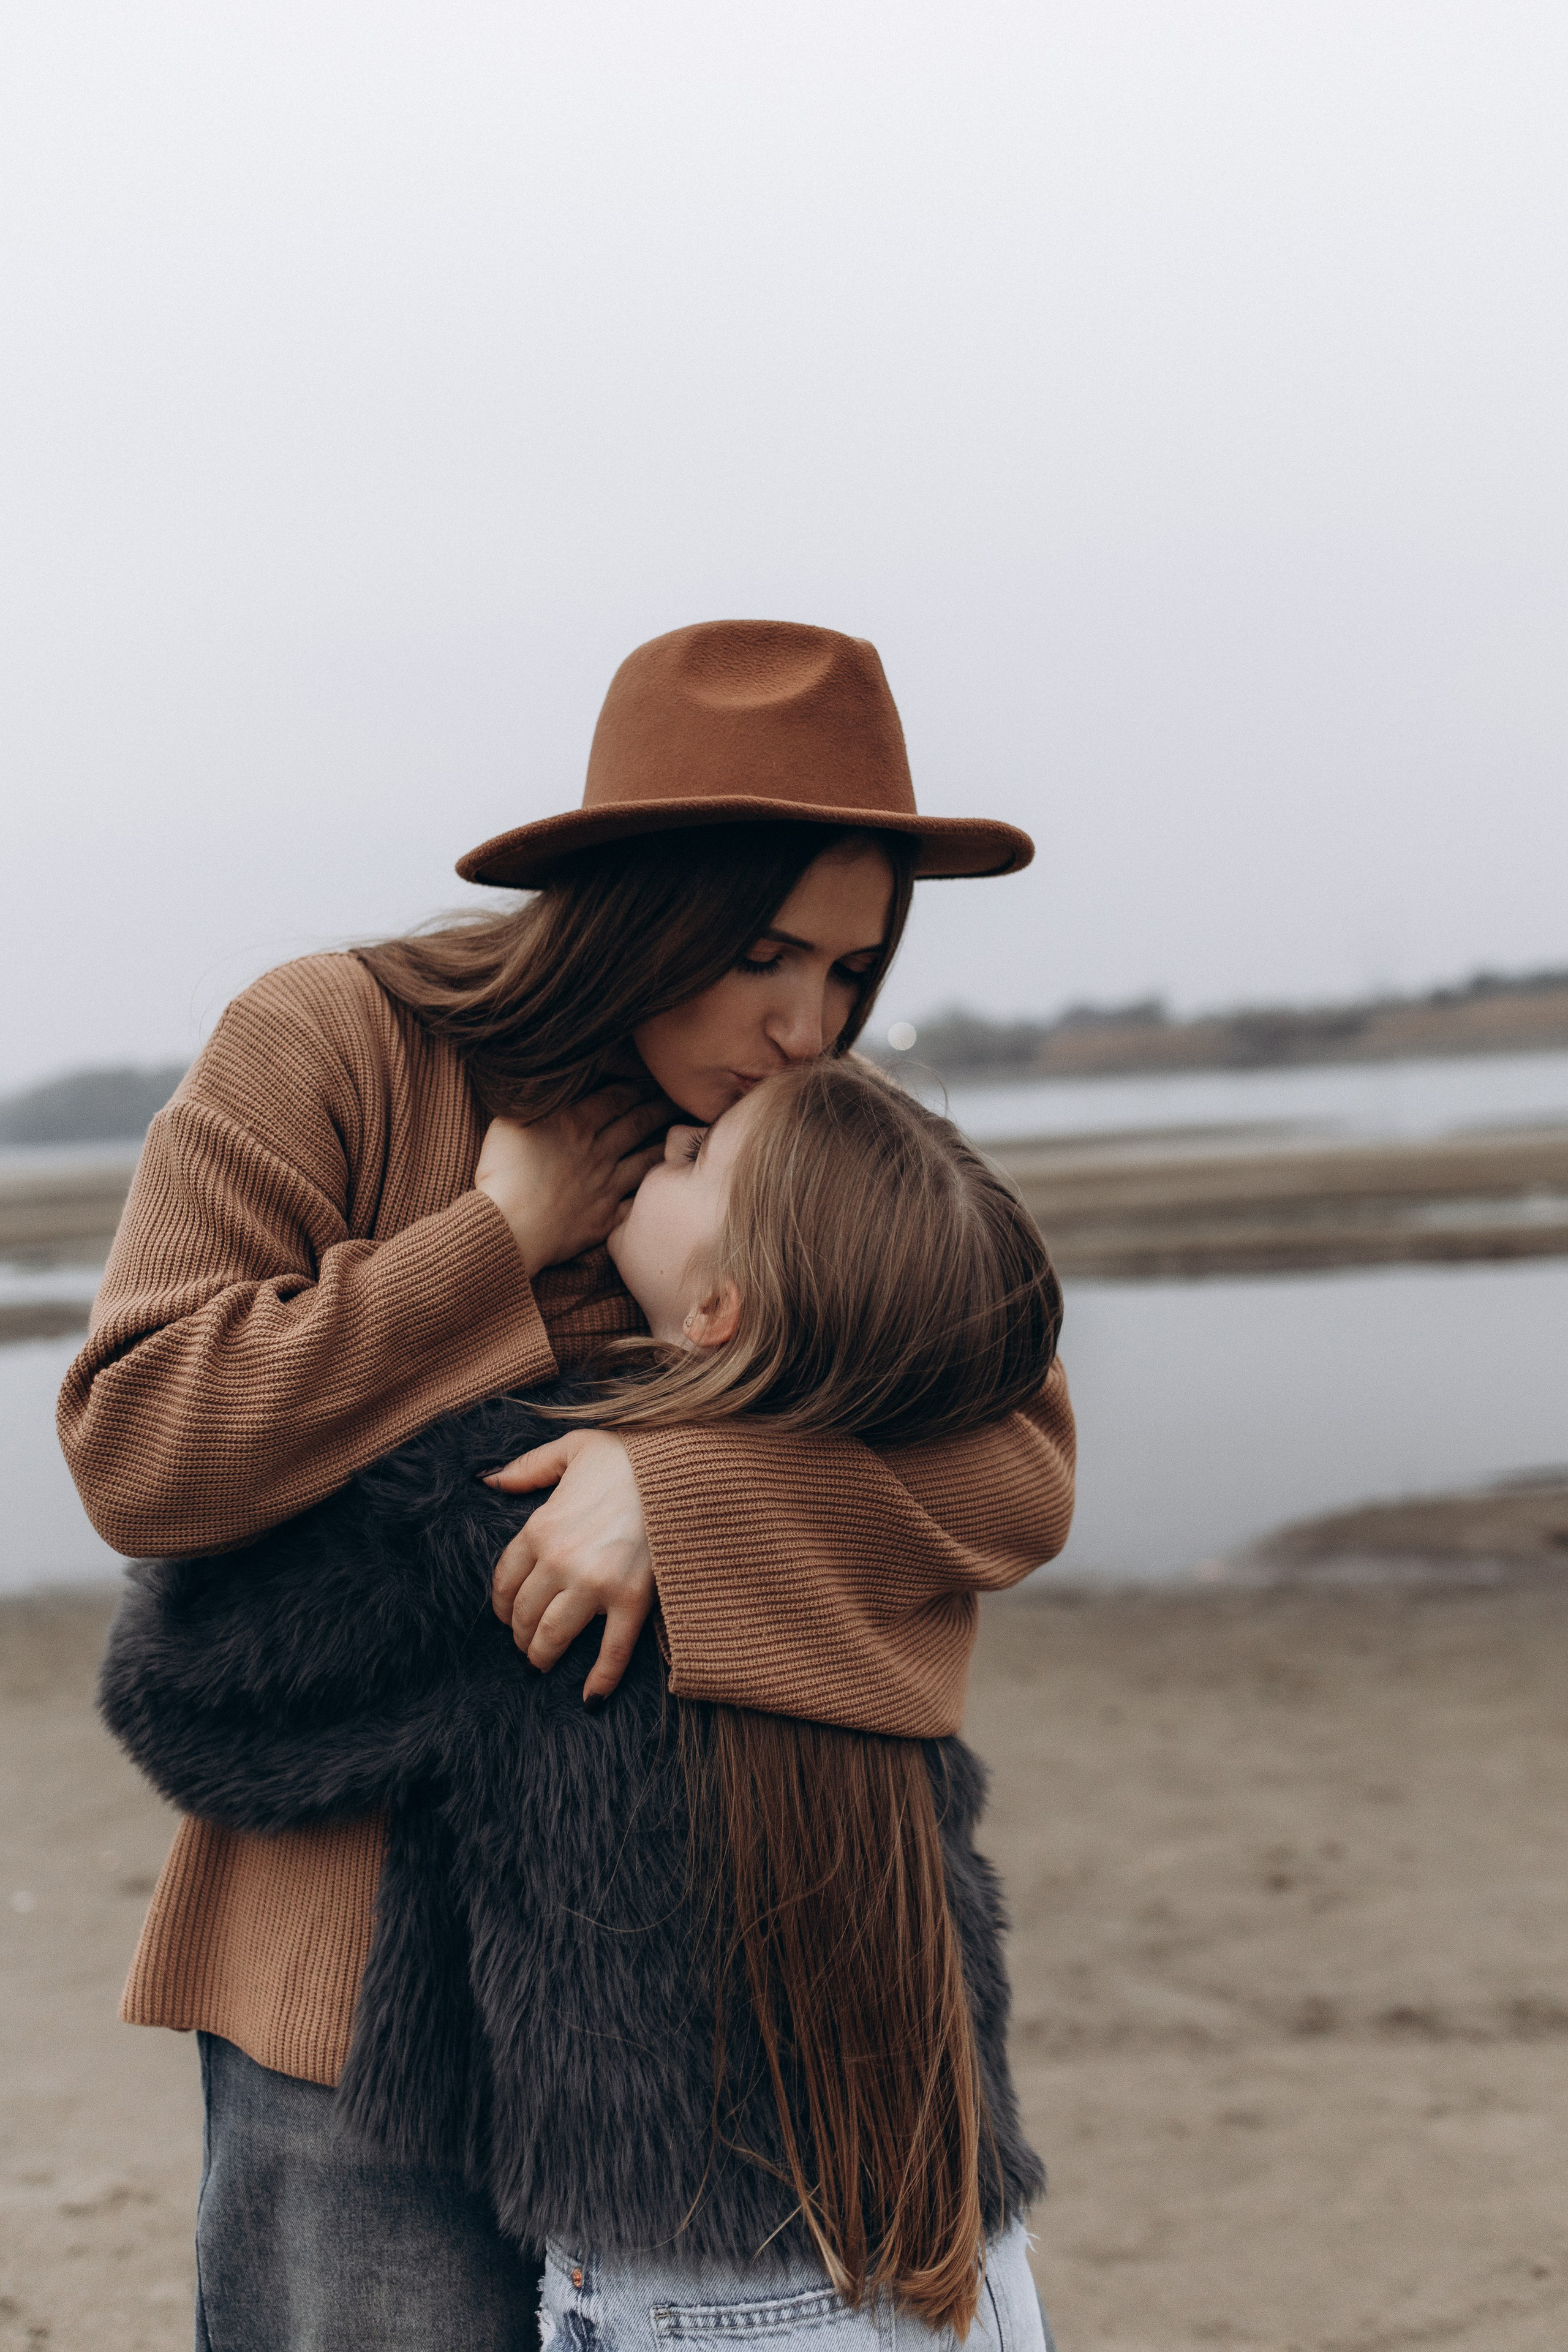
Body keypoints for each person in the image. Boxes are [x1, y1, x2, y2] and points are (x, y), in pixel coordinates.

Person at [62, 618, 1076, 2343]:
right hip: (343, 1996)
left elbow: (1015, 1463)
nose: (804, 1021)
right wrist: (493, 1247)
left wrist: (682, 1502)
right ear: (635, 906)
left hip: (682, 2021)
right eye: (764, 950)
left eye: (849, 966)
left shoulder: (818, 1128)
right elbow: (146, 1443)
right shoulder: (330, 1042)